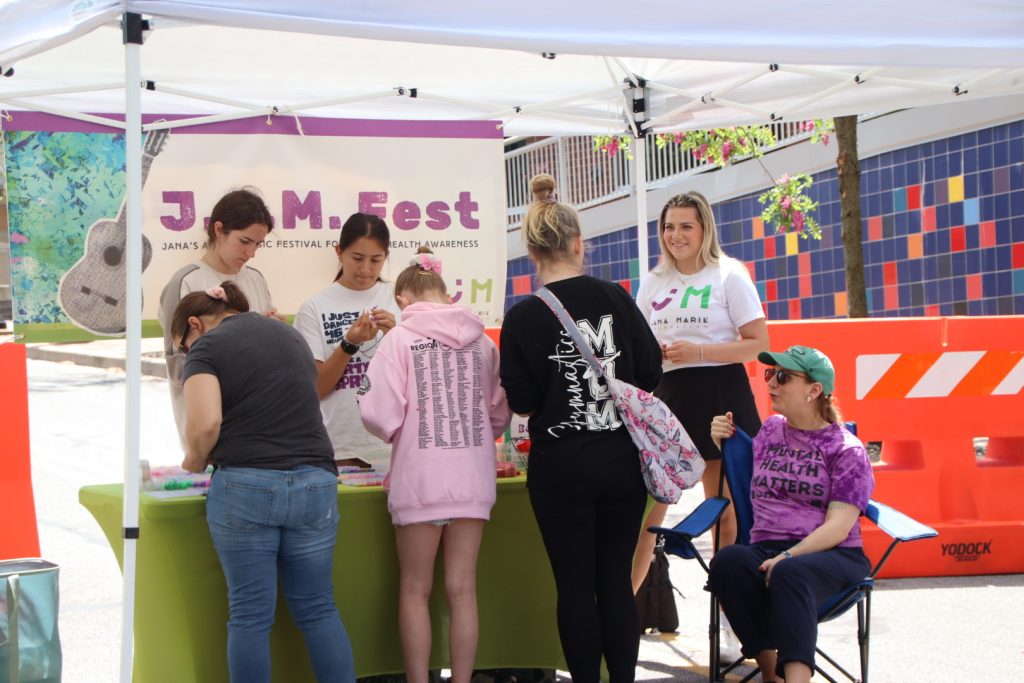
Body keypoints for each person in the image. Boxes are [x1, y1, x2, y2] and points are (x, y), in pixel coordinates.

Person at [499, 174, 663, 683]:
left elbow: (522, 400)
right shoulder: (615, 296)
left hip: (560, 468)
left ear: (531, 250)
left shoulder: (524, 316)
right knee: (614, 581)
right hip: (620, 463)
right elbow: (650, 373)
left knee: (573, 586)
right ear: (578, 243)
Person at [172, 281, 355, 683]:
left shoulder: (206, 348)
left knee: (250, 615)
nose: (185, 353)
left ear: (194, 325)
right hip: (316, 482)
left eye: (181, 346)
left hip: (246, 485)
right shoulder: (288, 334)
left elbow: (205, 424)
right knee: (319, 607)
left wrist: (193, 460)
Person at [357, 248, 511, 683]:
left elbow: (381, 415)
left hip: (420, 478)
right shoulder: (482, 343)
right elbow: (499, 415)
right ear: (446, 295)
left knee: (414, 589)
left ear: (403, 300)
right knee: (463, 590)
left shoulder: (399, 340)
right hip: (472, 478)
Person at [707, 345, 874, 683]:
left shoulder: (846, 451)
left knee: (790, 573)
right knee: (728, 562)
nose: (771, 383)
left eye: (783, 377)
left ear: (815, 391)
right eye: (770, 374)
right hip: (767, 548)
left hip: (831, 554)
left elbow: (839, 527)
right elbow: (745, 474)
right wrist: (721, 439)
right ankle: (772, 676)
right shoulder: (770, 431)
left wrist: (787, 555)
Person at [631, 191, 769, 596]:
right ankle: (623, 619)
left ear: (704, 229)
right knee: (648, 517)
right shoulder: (654, 281)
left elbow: (759, 343)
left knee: (726, 514)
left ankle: (731, 620)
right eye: (669, 226)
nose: (676, 235)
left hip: (722, 395)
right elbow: (637, 346)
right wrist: (651, 353)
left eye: (686, 225)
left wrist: (700, 351)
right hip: (668, 397)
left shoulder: (729, 274)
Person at [158, 188, 282, 448]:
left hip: (261, 422)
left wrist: (273, 332)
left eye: (258, 244)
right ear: (218, 229)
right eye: (245, 241)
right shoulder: (186, 282)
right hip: (210, 430)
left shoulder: (256, 279)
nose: (251, 253)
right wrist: (245, 331)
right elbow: (179, 367)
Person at [294, 213, 401, 457]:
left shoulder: (399, 298)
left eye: (376, 259)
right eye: (357, 258)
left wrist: (397, 336)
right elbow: (315, 389)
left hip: (397, 444)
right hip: (339, 448)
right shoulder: (314, 308)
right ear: (339, 252)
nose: (365, 269)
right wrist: (349, 344)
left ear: (386, 256)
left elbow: (421, 378)